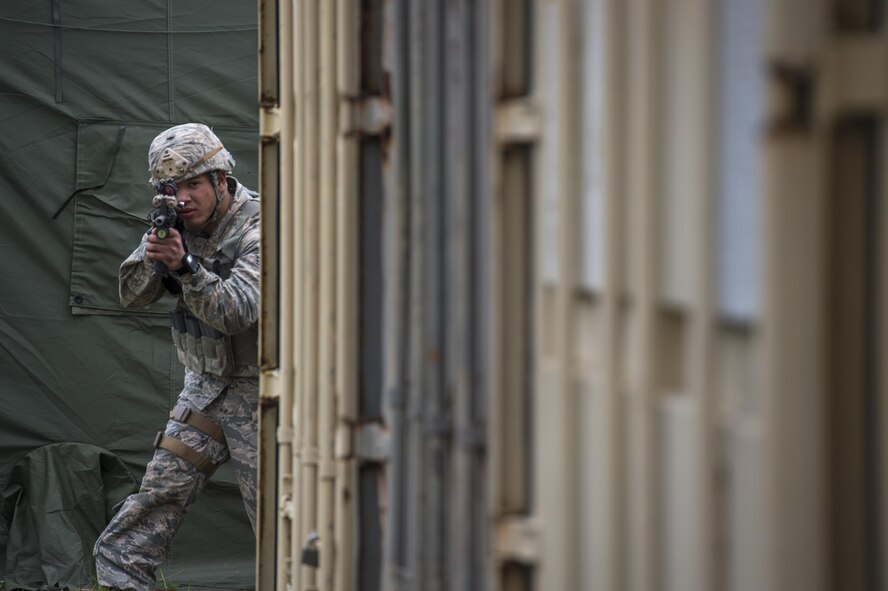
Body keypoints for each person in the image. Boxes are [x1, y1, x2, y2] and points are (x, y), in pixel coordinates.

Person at [94, 123, 261, 591]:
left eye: (194, 184)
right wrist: (158, 255)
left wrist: (186, 268)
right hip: (206, 390)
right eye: (173, 188)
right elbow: (131, 296)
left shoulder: (261, 228)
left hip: (267, 395)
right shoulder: (172, 223)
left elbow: (236, 312)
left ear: (221, 180)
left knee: (279, 523)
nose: (184, 198)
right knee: (152, 505)